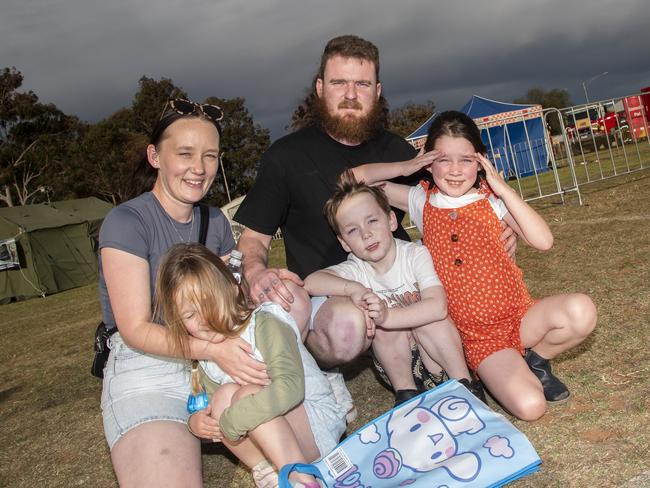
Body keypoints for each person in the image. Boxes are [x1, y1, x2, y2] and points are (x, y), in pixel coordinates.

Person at [234, 35, 516, 416]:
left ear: (377, 90)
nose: (350, 94)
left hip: (399, 285)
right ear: (320, 88)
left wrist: (500, 231)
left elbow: (453, 198)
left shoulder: (398, 152)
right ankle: (328, 374)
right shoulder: (285, 157)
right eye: (338, 83)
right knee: (348, 326)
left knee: (438, 305)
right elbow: (253, 239)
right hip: (334, 295)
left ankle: (449, 370)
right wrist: (254, 271)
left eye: (362, 84)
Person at [351, 110, 598, 421]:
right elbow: (350, 178)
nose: (455, 170)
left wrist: (502, 189)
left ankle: (536, 359)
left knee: (581, 310)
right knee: (531, 407)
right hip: (480, 339)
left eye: (466, 160)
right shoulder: (420, 200)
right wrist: (407, 166)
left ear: (481, 160)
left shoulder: (493, 200)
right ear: (429, 161)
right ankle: (496, 368)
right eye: (443, 159)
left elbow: (543, 241)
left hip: (520, 318)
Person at [99, 100, 269, 487]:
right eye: (185, 154)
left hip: (216, 351)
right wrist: (213, 350)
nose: (199, 168)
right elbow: (135, 328)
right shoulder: (126, 222)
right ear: (155, 156)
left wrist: (264, 289)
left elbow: (232, 303)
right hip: (148, 364)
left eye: (210, 156)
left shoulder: (215, 222)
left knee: (299, 451)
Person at [155, 243, 344, 488]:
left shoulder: (264, 323)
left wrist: (232, 421)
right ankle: (270, 473)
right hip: (269, 438)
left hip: (314, 425)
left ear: (232, 291)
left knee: (245, 395)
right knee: (224, 395)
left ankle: (302, 479)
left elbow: (290, 388)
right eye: (190, 315)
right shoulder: (205, 358)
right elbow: (214, 410)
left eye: (208, 302)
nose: (203, 319)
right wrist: (197, 424)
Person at [303, 171, 484, 406]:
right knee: (383, 330)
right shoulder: (356, 269)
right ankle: (406, 396)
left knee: (428, 319)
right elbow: (311, 282)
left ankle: (466, 384)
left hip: (439, 356)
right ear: (344, 243)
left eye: (372, 221)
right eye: (353, 230)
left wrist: (388, 316)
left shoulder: (415, 255)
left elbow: (438, 306)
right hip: (398, 364)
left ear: (391, 220)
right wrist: (352, 289)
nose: (366, 233)